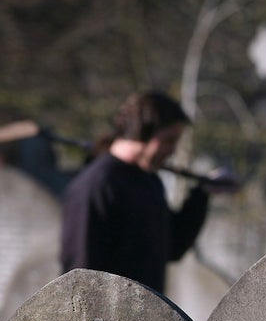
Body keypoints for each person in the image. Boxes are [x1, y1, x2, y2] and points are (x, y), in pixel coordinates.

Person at [60, 90, 234, 293]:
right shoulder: (96, 186)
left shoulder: (149, 180)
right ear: (143, 133)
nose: (172, 151)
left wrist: (201, 195)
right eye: (169, 140)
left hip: (145, 319)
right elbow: (79, 274)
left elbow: (171, 247)